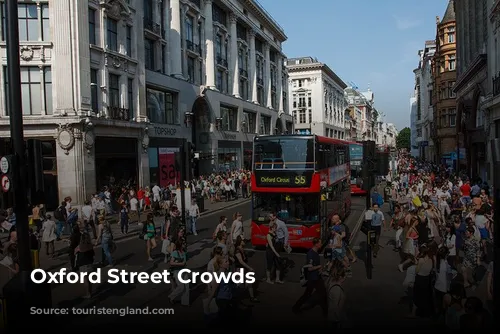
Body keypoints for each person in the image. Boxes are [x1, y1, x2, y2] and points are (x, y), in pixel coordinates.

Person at [292, 237, 327, 316]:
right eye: (320, 243)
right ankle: (295, 308)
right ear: (317, 244)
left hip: (317, 277)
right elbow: (310, 268)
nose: (321, 244)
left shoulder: (316, 253)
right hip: (312, 278)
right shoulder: (311, 254)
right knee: (307, 294)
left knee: (323, 292)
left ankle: (326, 310)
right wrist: (319, 267)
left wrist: (320, 270)